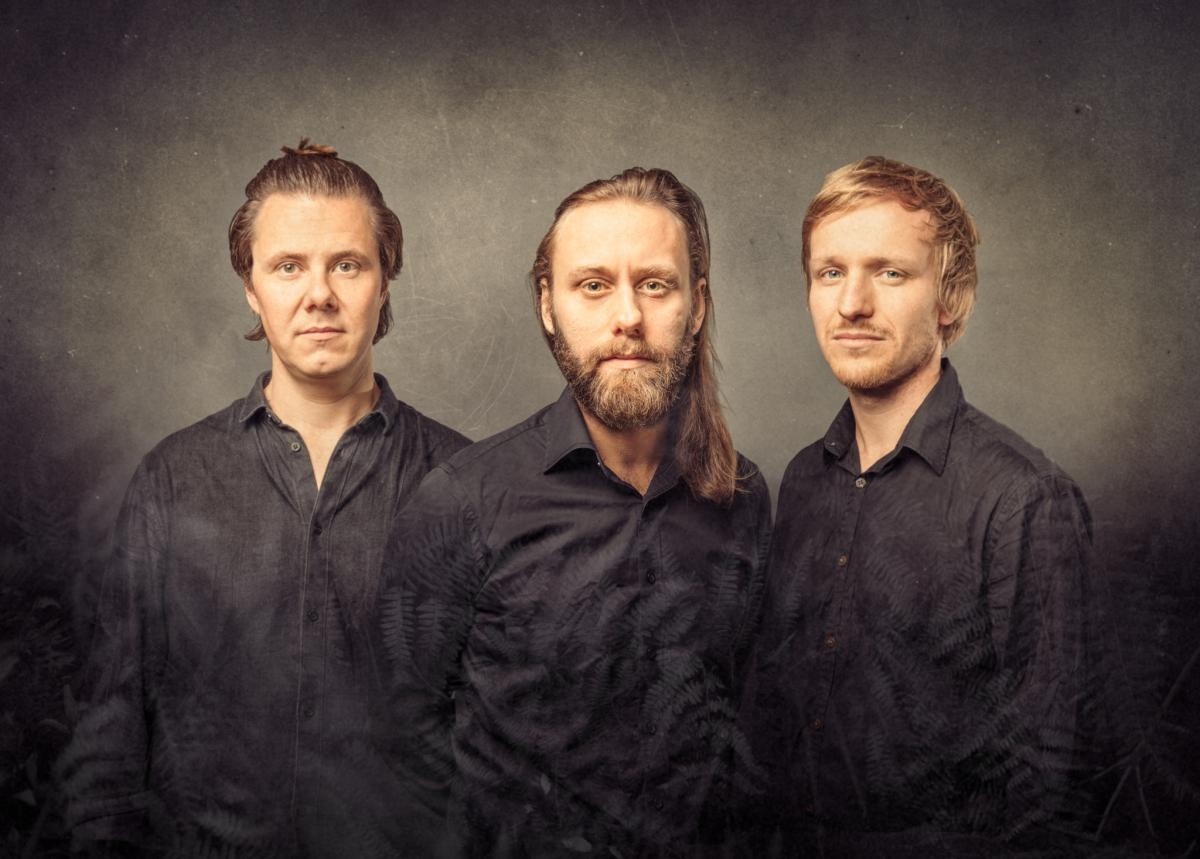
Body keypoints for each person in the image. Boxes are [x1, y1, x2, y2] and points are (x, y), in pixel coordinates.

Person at [57, 140, 469, 856]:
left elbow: (497, 743)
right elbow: (110, 733)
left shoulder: (462, 482)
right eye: (287, 266)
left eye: (347, 263)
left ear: (386, 278)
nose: (319, 294)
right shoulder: (174, 477)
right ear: (251, 287)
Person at [375, 168, 771, 857]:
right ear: (548, 304)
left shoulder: (741, 495)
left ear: (697, 305)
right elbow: (402, 746)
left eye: (655, 284)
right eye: (593, 285)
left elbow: (747, 730)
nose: (627, 317)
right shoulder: (462, 501)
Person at [745, 156, 1093, 855]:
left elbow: (1050, 787)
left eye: (890, 272)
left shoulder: (1022, 497)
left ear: (948, 299)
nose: (852, 304)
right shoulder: (804, 480)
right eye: (830, 272)